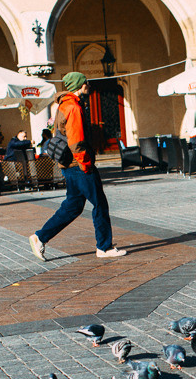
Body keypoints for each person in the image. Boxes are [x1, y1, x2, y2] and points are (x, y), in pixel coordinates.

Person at [28, 72, 125, 261]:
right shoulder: (73, 106)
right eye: (86, 82)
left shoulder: (64, 104)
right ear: (80, 85)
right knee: (99, 204)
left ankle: (40, 237)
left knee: (73, 206)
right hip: (78, 164)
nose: (88, 85)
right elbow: (76, 140)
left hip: (68, 164)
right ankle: (104, 247)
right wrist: (86, 164)